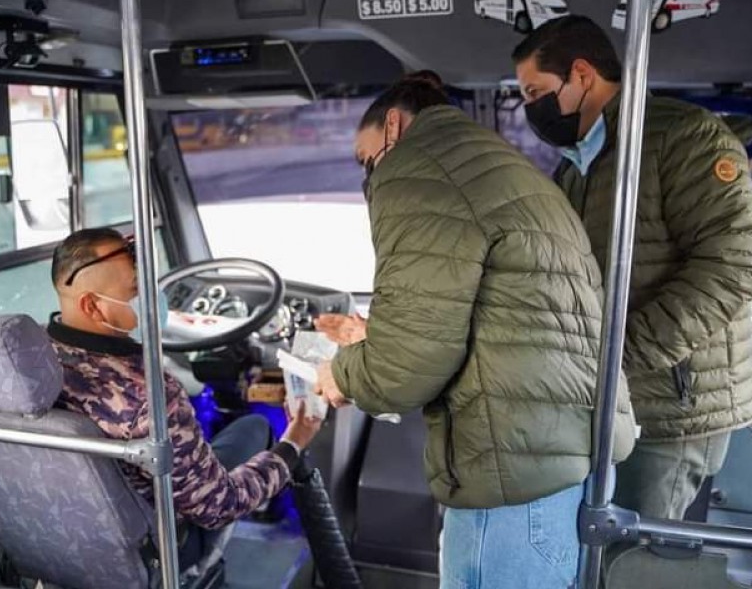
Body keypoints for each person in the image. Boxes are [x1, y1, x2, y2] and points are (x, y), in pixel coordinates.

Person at [312, 72, 637, 589]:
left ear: (393, 125)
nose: (369, 173)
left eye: (366, 157)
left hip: (512, 478)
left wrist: (343, 374)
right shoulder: (506, 168)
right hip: (568, 460)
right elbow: (502, 317)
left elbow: (406, 369)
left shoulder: (416, 169)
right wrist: (376, 337)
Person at [512, 15, 752, 520]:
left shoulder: (682, 139)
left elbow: (733, 268)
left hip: (672, 408)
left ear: (581, 75)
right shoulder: (581, 165)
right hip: (616, 400)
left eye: (535, 91)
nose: (530, 108)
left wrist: (622, 356)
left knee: (639, 562)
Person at [46, 227, 322, 569]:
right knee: (256, 425)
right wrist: (293, 443)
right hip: (160, 548)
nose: (150, 299)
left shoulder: (33, 365)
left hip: (69, 533)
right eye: (136, 291)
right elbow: (219, 506)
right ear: (92, 305)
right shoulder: (148, 398)